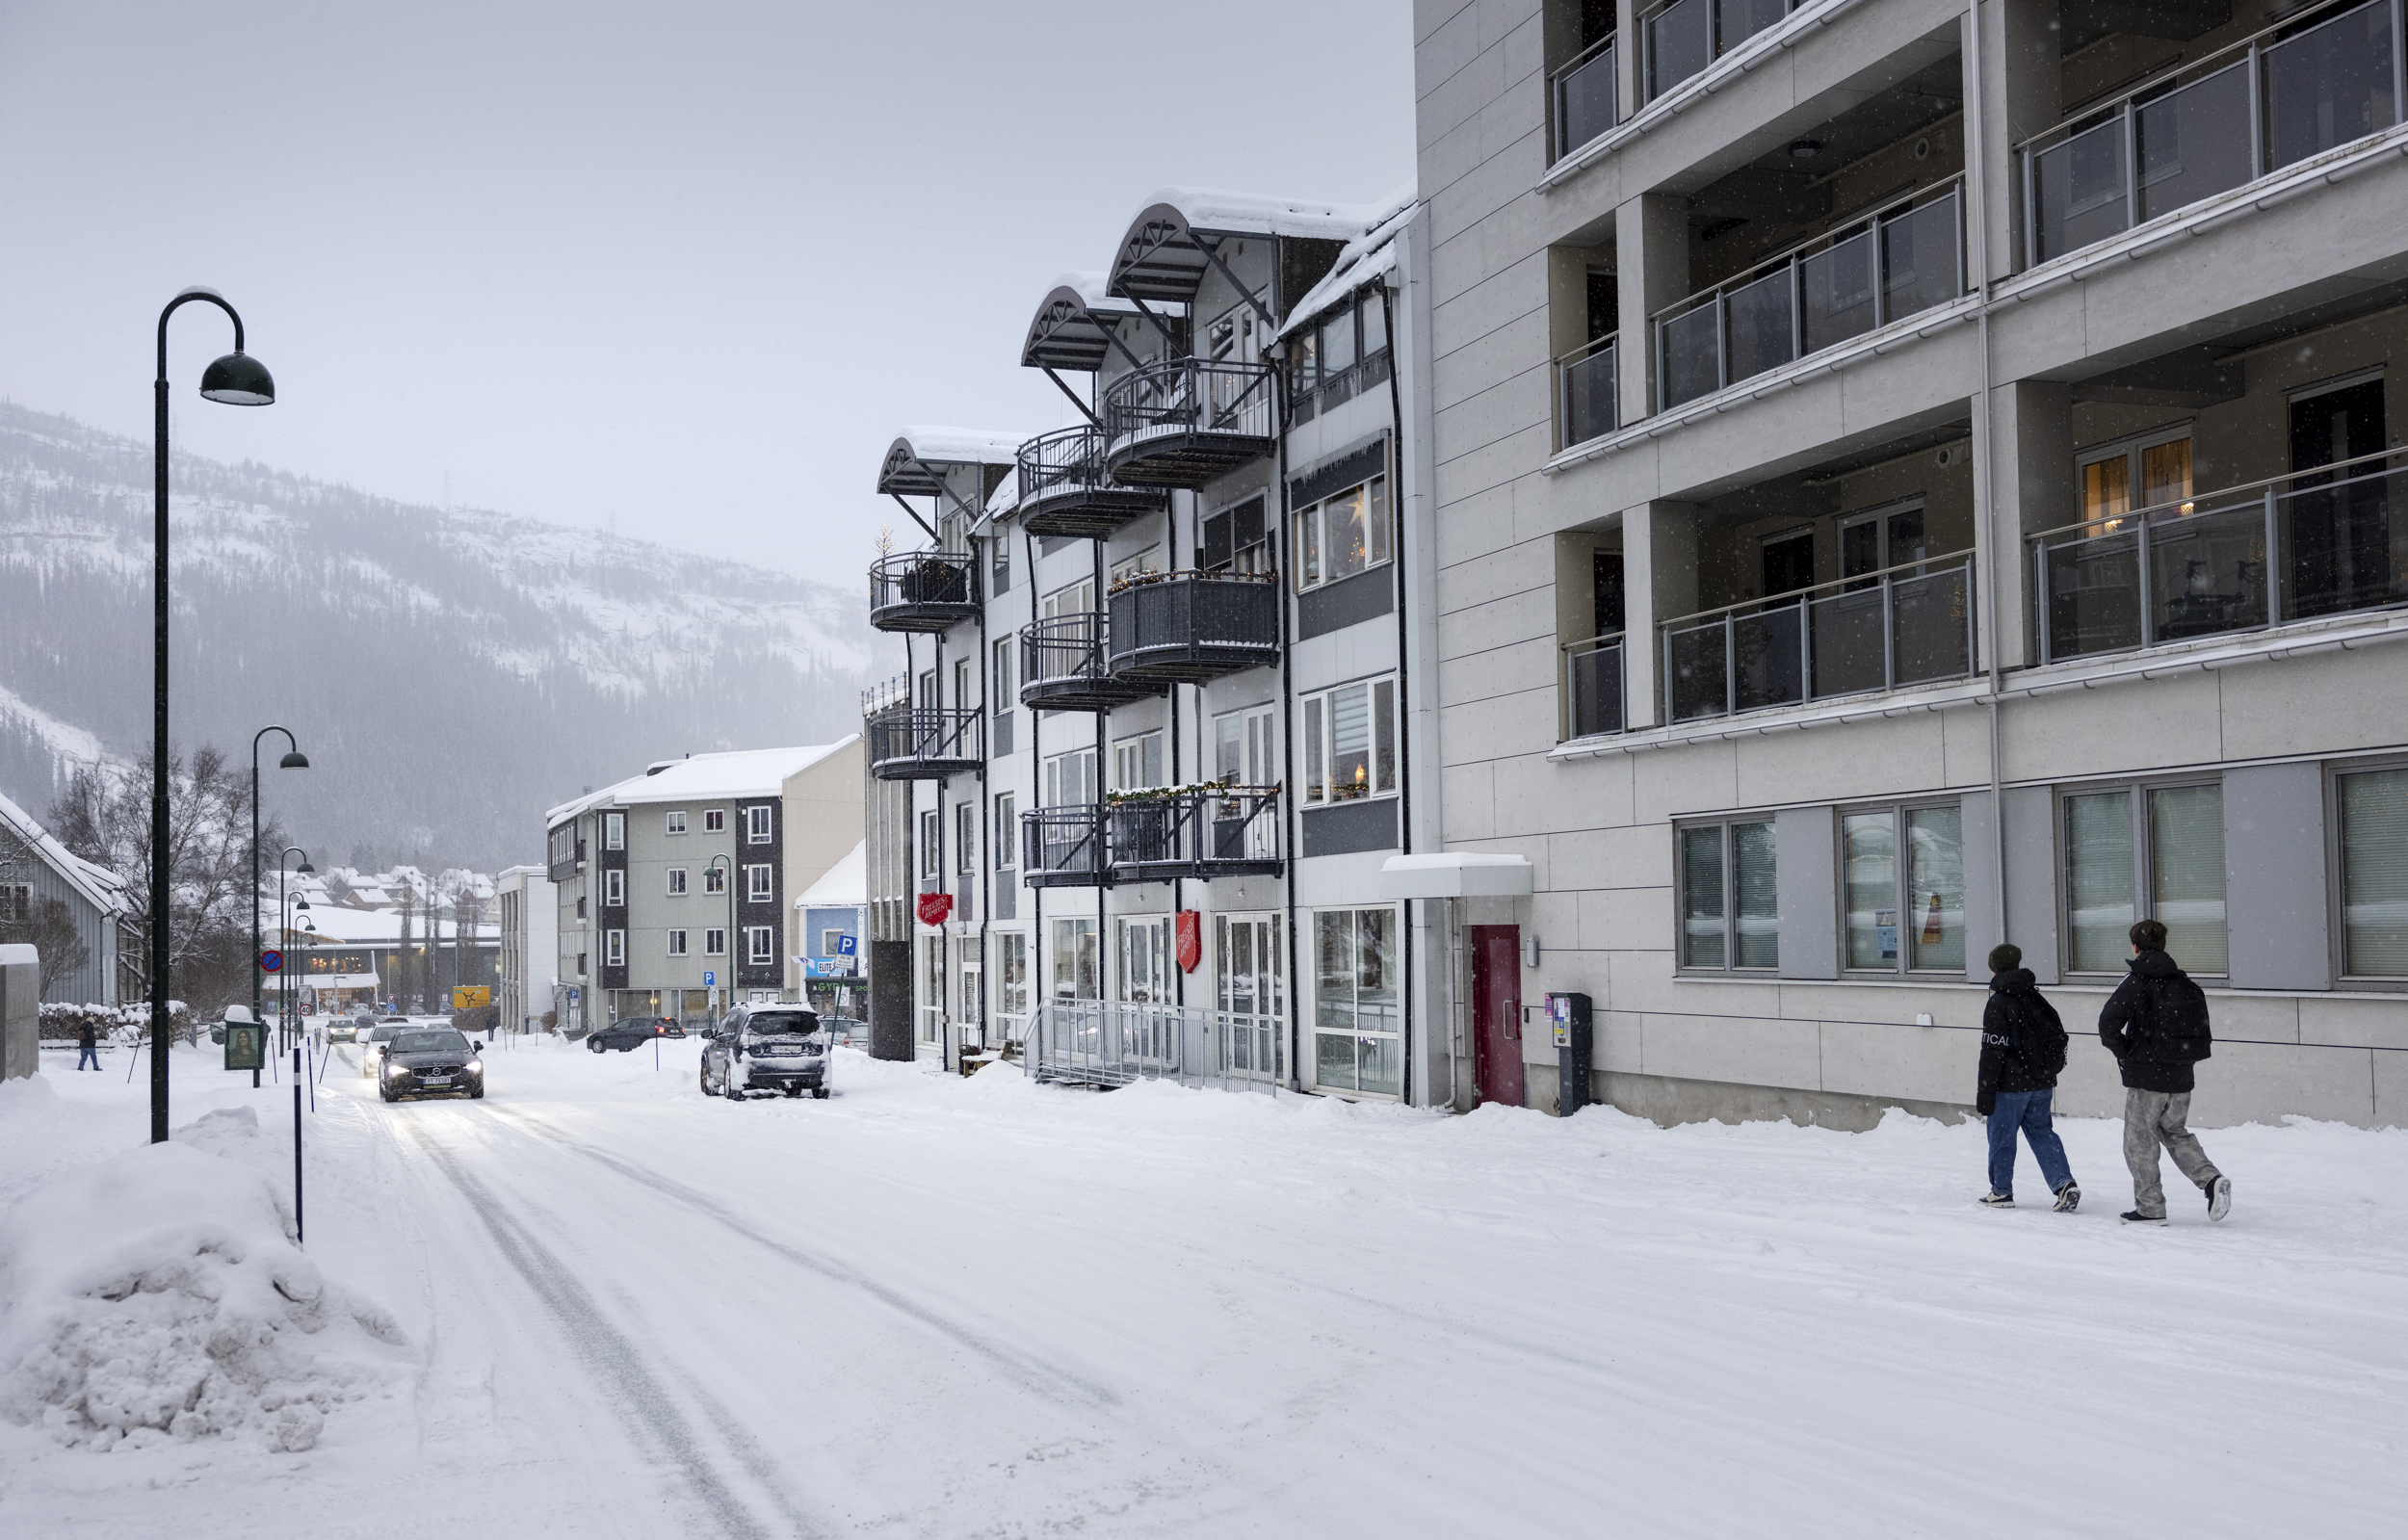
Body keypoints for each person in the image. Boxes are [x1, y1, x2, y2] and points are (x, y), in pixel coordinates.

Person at [2099, 918, 2232, 1225]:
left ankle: (2150, 1208)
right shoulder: (2184, 983)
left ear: (2135, 946)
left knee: (2139, 1141)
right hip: (2181, 1076)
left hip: (2147, 1077)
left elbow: (2107, 1024)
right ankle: (2211, 1180)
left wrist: (2124, 1055)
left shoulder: (2135, 982)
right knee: (2174, 1132)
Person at [1976, 943, 2078, 1212]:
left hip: (2010, 1085)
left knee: (2001, 1136)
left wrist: (1985, 1092)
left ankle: (2001, 1191)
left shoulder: (1998, 1002)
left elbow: (1992, 1051)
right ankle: (2064, 1184)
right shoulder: (2035, 997)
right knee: (2043, 1134)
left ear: (1993, 968)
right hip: (2041, 1082)